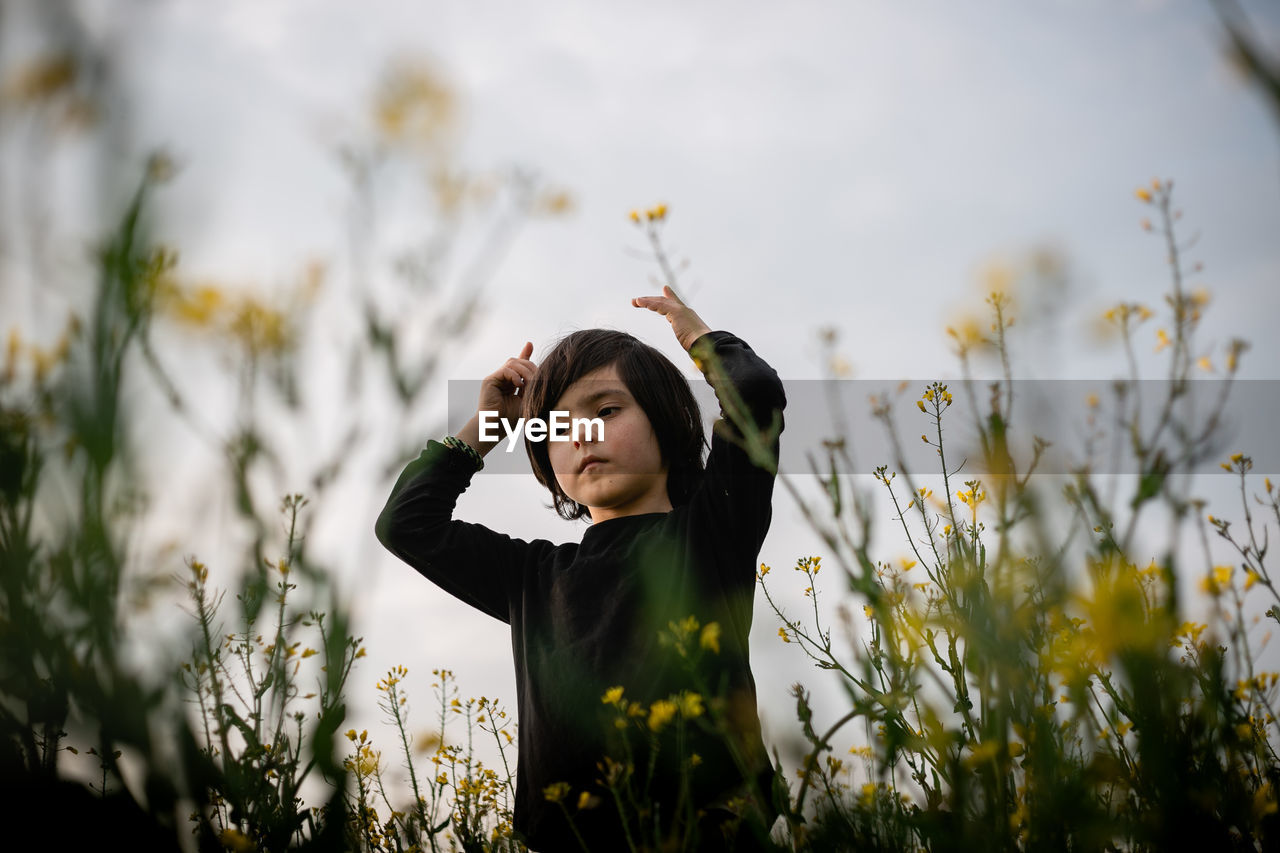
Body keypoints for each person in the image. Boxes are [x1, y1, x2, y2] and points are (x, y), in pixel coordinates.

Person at [375, 285, 785, 851]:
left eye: (606, 410)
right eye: (558, 426)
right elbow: (405, 523)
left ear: (666, 422)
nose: (582, 435)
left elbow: (755, 393)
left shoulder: (710, 533)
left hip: (708, 834)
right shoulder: (531, 576)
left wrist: (701, 341)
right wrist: (487, 428)